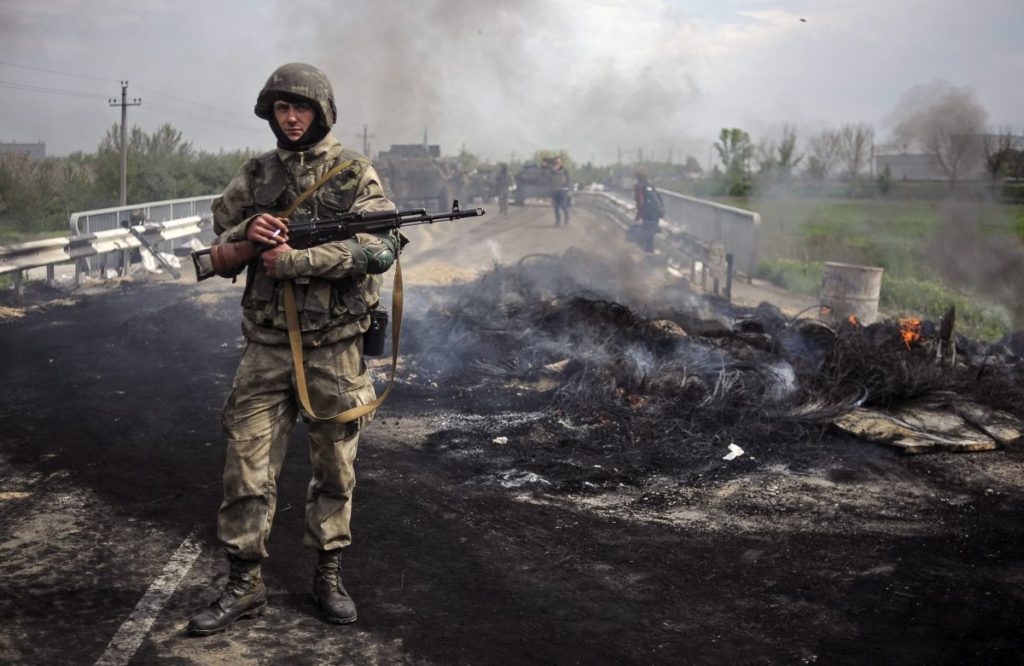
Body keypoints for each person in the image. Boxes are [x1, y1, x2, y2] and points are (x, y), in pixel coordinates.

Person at [187, 63, 403, 636]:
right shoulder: (255, 174)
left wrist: (303, 261)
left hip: (334, 349)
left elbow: (382, 247)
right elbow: (220, 239)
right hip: (266, 347)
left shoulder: (355, 174)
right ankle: (244, 583)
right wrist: (249, 236)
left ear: (321, 112)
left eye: (300, 107)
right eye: (281, 108)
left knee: (335, 468)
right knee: (246, 468)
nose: (291, 116)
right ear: (270, 114)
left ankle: (328, 574)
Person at [632, 168, 663, 254]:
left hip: (647, 214)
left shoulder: (639, 187)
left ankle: (647, 253)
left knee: (644, 234)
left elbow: (640, 202)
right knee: (650, 234)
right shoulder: (651, 186)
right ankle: (650, 252)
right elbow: (659, 199)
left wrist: (639, 215)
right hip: (656, 214)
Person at [551, 156, 572, 226]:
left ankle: (566, 218)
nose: (557, 163)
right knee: (556, 207)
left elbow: (568, 179)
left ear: (561, 162)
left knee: (563, 205)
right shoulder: (552, 170)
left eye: (559, 162)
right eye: (556, 162)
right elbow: (549, 178)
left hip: (563, 190)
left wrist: (567, 187)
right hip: (554, 190)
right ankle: (557, 222)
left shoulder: (565, 170)